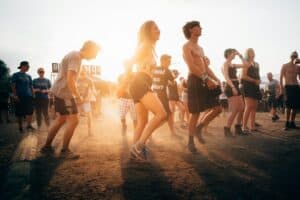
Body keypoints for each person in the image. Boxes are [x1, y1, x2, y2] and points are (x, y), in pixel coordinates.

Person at [41, 40, 100, 159]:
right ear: (89, 49)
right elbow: (70, 80)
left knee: (61, 120)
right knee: (74, 121)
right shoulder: (76, 57)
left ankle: (46, 147)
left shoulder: (74, 55)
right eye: (95, 54)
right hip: (64, 93)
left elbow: (70, 79)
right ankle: (65, 150)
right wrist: (78, 97)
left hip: (60, 91)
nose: (95, 57)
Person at [128, 20, 167, 161]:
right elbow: (130, 62)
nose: (159, 30)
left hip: (140, 83)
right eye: (155, 28)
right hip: (140, 82)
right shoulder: (145, 45)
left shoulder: (148, 47)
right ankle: (139, 146)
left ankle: (135, 152)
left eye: (158, 28)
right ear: (148, 32)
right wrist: (128, 79)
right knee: (162, 114)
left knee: (143, 121)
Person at [182, 21, 222, 152]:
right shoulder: (186, 46)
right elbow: (192, 67)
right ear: (191, 30)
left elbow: (206, 67)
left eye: (200, 27)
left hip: (205, 79)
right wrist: (207, 79)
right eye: (197, 27)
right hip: (194, 80)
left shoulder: (201, 48)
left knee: (218, 108)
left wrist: (216, 79)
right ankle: (190, 142)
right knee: (195, 112)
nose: (200, 28)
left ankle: (200, 127)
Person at [222, 49, 247, 137]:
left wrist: (240, 56)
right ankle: (227, 129)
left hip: (236, 85)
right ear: (228, 54)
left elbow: (245, 65)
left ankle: (237, 128)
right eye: (233, 52)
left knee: (241, 108)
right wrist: (232, 87)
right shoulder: (225, 64)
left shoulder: (233, 64)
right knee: (235, 109)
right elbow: (226, 77)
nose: (234, 54)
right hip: (230, 86)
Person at [152, 54, 175, 135]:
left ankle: (172, 132)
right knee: (166, 116)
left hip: (153, 95)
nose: (170, 63)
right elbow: (172, 82)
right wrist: (173, 76)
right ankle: (149, 131)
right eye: (169, 61)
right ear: (163, 61)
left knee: (167, 114)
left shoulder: (154, 69)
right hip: (162, 96)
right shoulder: (167, 70)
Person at [11, 61, 35, 133]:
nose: (28, 68)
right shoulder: (16, 75)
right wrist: (15, 95)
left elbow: (31, 86)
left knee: (30, 111)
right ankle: (20, 127)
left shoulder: (29, 76)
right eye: (27, 66)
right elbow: (13, 86)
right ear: (22, 66)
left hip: (29, 96)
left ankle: (29, 125)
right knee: (19, 112)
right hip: (20, 96)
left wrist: (33, 95)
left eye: (28, 66)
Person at [241, 48, 261, 133]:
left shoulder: (256, 64)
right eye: (250, 52)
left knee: (254, 107)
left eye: (253, 51)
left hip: (255, 87)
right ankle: (244, 127)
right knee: (248, 106)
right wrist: (254, 80)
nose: (252, 53)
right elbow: (243, 76)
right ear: (247, 54)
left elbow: (257, 75)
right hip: (248, 86)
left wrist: (258, 81)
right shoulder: (246, 63)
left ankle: (252, 126)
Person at [279, 51, 300, 130]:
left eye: (296, 56)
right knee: (288, 106)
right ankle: (287, 123)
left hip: (296, 87)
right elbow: (280, 78)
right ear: (290, 56)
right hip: (288, 87)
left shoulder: (298, 67)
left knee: (295, 107)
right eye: (293, 56)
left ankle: (292, 122)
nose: (294, 57)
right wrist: (281, 89)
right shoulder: (285, 66)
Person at [116, 61, 137, 133]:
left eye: (130, 66)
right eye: (127, 66)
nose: (128, 67)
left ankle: (136, 131)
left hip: (133, 99)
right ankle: (124, 125)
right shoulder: (121, 76)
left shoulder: (136, 75)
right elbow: (118, 87)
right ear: (124, 67)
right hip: (123, 98)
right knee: (122, 116)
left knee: (135, 118)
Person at [77, 68, 95, 136]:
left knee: (89, 115)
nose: (82, 74)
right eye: (81, 73)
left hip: (86, 100)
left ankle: (89, 131)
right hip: (78, 100)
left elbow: (92, 89)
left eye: (83, 73)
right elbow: (73, 89)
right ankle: (74, 131)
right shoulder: (77, 79)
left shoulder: (89, 80)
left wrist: (88, 97)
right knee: (76, 116)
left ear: (86, 73)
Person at [168, 69, 185, 134]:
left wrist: (180, 99)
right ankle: (172, 125)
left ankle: (181, 123)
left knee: (183, 109)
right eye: (176, 74)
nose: (177, 75)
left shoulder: (175, 82)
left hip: (176, 98)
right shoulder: (169, 81)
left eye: (178, 74)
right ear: (174, 74)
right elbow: (170, 84)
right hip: (171, 98)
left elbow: (177, 91)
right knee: (172, 112)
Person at [0, 60, 11, 124]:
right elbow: (9, 85)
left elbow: (9, 85)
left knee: (6, 107)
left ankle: (6, 119)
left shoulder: (6, 76)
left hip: (5, 93)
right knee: (6, 107)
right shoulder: (6, 76)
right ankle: (7, 119)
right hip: (5, 93)